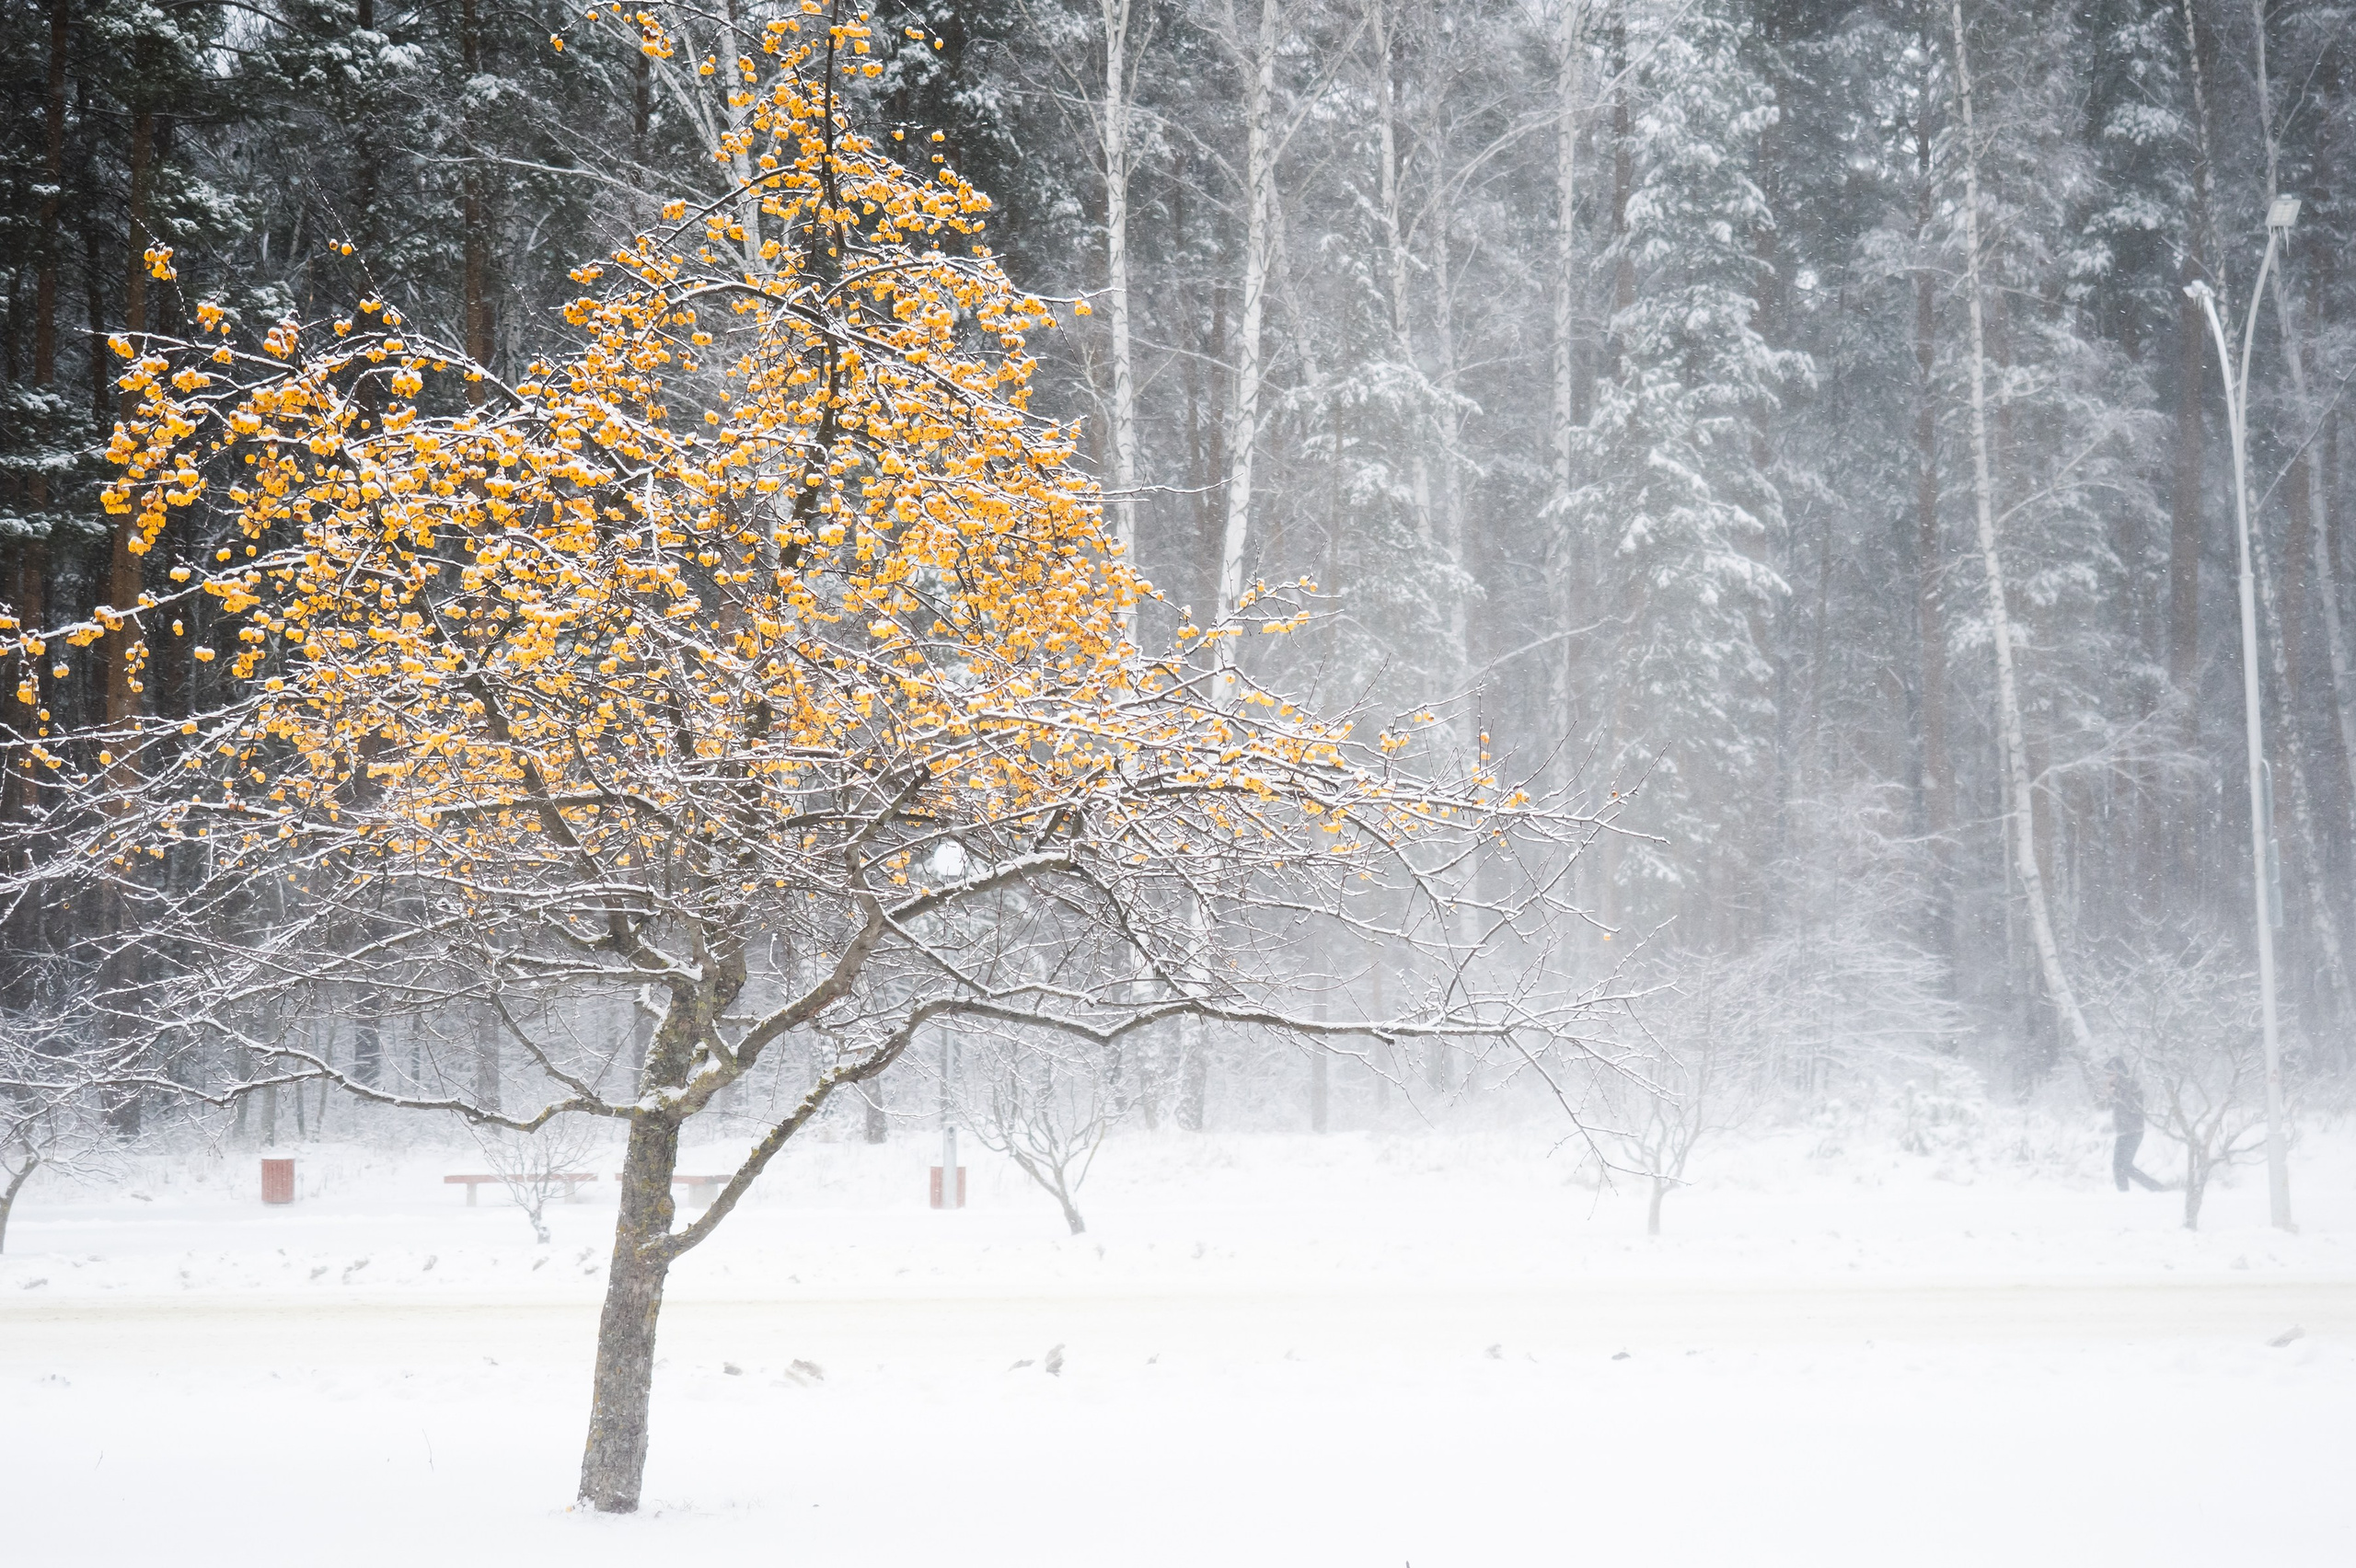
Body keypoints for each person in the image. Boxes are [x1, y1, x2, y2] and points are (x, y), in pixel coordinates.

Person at [2105, 1056, 2165, 1192]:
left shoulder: (2131, 1085)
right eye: (2106, 1074)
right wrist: (2108, 1094)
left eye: (2110, 1073)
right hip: (2123, 1131)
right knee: (2118, 1166)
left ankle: (2157, 1188)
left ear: (2118, 1072)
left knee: (2124, 1166)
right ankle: (2125, 1194)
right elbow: (2103, 1107)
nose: (2107, 1077)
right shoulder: (2116, 1087)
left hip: (2133, 1131)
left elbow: (2131, 1106)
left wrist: (2114, 1094)